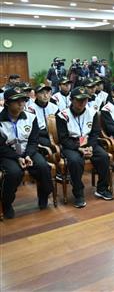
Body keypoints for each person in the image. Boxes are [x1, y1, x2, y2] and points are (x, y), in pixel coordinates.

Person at [0, 88, 54, 218]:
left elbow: (33, 140)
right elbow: (0, 146)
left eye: (23, 101)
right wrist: (17, 157)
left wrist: (28, 155)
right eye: (16, 101)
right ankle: (7, 203)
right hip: (8, 154)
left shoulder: (31, 117)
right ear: (7, 103)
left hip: (28, 151)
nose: (21, 104)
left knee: (43, 167)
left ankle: (44, 196)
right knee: (13, 173)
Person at [56, 87, 113, 207]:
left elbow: (95, 133)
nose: (82, 103)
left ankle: (102, 189)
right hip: (71, 145)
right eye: (79, 100)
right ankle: (78, 194)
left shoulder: (92, 112)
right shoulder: (62, 116)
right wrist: (79, 148)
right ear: (71, 100)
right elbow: (63, 139)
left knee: (103, 156)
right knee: (75, 161)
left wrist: (91, 147)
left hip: (89, 142)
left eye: (85, 100)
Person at [27, 84, 59, 148]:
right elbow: (32, 130)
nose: (45, 96)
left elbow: (59, 124)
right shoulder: (30, 109)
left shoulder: (54, 107)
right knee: (50, 144)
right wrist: (48, 133)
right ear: (35, 95)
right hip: (39, 134)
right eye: (42, 93)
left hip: (54, 133)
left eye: (47, 93)